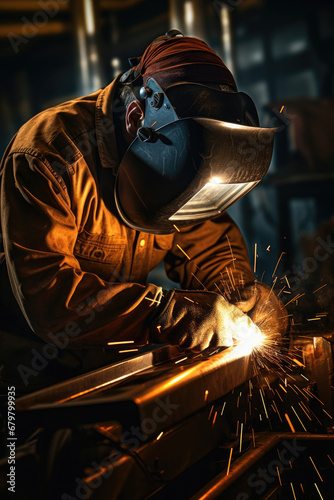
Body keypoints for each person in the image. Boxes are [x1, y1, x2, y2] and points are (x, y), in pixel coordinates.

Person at [0, 31, 286, 394]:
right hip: (23, 371)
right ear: (137, 118)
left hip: (106, 360)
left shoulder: (191, 159)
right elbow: (51, 298)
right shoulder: (49, 155)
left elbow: (208, 243)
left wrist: (240, 298)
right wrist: (166, 311)